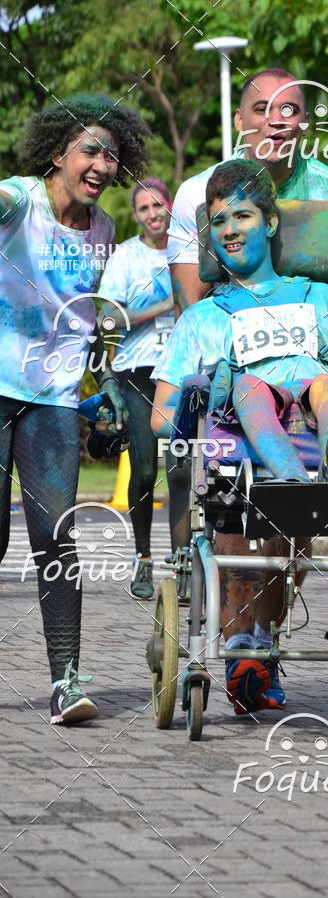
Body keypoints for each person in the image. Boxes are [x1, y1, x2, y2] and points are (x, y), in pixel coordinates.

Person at [151, 159, 328, 715]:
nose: (230, 230)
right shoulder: (202, 318)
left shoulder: (326, 301)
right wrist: (201, 390)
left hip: (317, 434)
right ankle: (247, 648)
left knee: (326, 386)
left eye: (242, 215)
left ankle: (314, 480)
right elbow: (162, 413)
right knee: (246, 398)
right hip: (239, 455)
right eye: (218, 220)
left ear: (270, 222)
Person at [0, 96, 150, 724]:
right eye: (90, 151)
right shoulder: (18, 199)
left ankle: (67, 681)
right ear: (58, 154)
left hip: (55, 400)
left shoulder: (107, 230)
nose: (101, 164)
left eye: (111, 156)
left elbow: (93, 318)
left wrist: (108, 380)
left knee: (56, 537)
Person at [167, 68, 328, 316]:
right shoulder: (197, 194)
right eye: (262, 109)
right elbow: (189, 314)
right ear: (239, 121)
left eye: (289, 110)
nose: (276, 120)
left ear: (304, 123)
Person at [98, 178, 187, 599]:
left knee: (183, 470)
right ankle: (143, 560)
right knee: (147, 468)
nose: (153, 215)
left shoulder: (188, 251)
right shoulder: (125, 258)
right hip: (138, 371)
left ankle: (184, 562)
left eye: (158, 206)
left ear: (170, 206)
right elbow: (108, 322)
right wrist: (162, 307)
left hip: (183, 370)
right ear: (136, 216)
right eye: (144, 209)